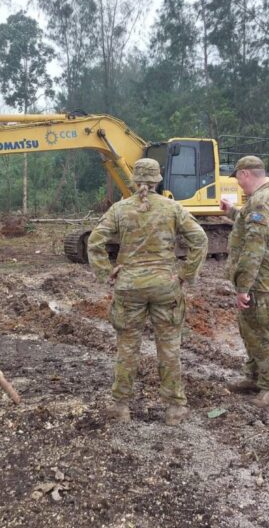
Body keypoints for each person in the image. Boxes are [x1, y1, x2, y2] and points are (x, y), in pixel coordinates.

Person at [87, 158, 208, 425]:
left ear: (134, 181)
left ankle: (121, 407)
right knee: (169, 347)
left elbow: (95, 242)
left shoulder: (120, 210)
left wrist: (106, 272)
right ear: (157, 180)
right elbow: (199, 239)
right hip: (166, 286)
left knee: (127, 348)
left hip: (129, 287)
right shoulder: (173, 208)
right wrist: (186, 274)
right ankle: (175, 409)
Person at [219, 155, 269, 408]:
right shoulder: (266, 198)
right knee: (250, 331)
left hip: (260, 283)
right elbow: (250, 222)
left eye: (237, 177)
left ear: (246, 174)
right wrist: (232, 211)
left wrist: (242, 288)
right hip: (261, 281)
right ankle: (253, 377)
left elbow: (253, 249)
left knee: (262, 334)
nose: (238, 183)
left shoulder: (261, 203)